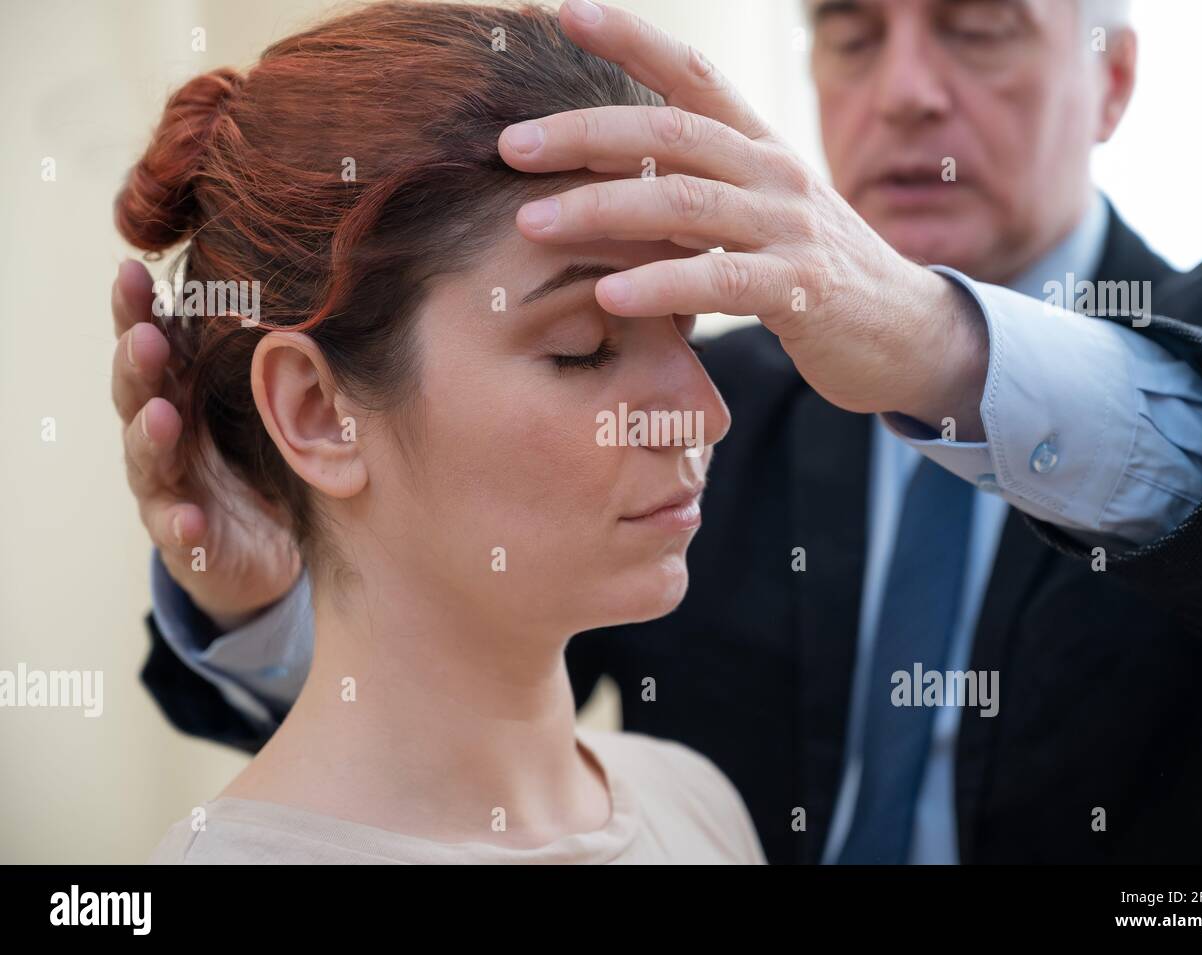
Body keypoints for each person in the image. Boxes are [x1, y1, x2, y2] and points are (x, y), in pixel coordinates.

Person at [114, 0, 1202, 864]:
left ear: (1113, 80)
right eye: (848, 29)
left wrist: (943, 347)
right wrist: (290, 566)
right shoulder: (725, 397)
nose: (904, 92)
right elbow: (439, 712)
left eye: (977, 25)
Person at [117, 1, 764, 865]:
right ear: (317, 411)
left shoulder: (699, 803)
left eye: (682, 325)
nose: (705, 413)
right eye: (585, 349)